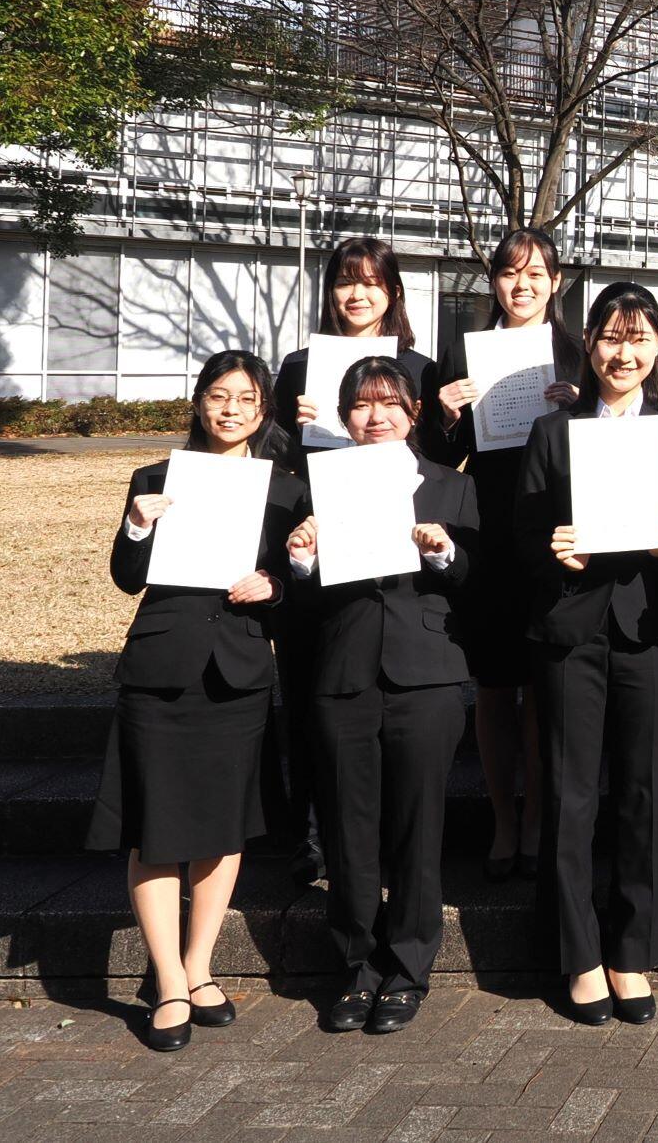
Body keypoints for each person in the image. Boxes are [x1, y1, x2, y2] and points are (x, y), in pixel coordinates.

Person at [86, 352, 307, 1053]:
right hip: (161, 668)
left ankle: (202, 964)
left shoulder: (284, 491)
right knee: (154, 825)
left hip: (237, 673)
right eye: (219, 396)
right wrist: (138, 526)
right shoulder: (155, 479)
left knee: (222, 826)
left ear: (264, 409)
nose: (231, 409)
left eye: (246, 398)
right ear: (200, 403)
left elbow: (297, 589)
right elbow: (126, 576)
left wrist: (276, 586)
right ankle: (169, 977)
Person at [516, 283, 658, 1026]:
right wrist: (553, 552)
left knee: (643, 794)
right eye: (609, 337)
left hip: (650, 629)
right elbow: (521, 538)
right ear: (589, 345)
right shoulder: (552, 431)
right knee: (569, 797)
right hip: (571, 631)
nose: (623, 353)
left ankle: (633, 953)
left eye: (638, 338)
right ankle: (578, 955)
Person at [283, 357, 480, 1036]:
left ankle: (408, 969)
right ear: (344, 418)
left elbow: (473, 584)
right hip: (343, 673)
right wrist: (302, 558)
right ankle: (357, 967)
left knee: (417, 829)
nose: (376, 416)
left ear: (413, 412)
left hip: (426, 674)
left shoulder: (451, 487)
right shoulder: (319, 485)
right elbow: (301, 602)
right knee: (347, 828)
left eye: (389, 403)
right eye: (361, 406)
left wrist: (443, 553)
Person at [269, 236, 438, 889]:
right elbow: (273, 450)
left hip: (395, 561)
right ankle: (312, 836)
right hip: (320, 546)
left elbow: (438, 464)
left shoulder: (419, 368)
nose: (358, 292)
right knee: (311, 695)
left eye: (372, 281)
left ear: (393, 292)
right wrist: (291, 424)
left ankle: (386, 842)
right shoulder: (299, 365)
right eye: (345, 280)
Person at [430, 228, 583, 882]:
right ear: (493, 281)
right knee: (495, 686)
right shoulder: (462, 356)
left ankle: (539, 817)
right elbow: (439, 465)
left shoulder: (577, 355)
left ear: (556, 283)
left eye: (536, 274)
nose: (522, 286)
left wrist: (581, 413)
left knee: (546, 688)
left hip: (556, 536)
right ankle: (502, 815)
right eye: (509, 274)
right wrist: (442, 415)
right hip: (487, 532)